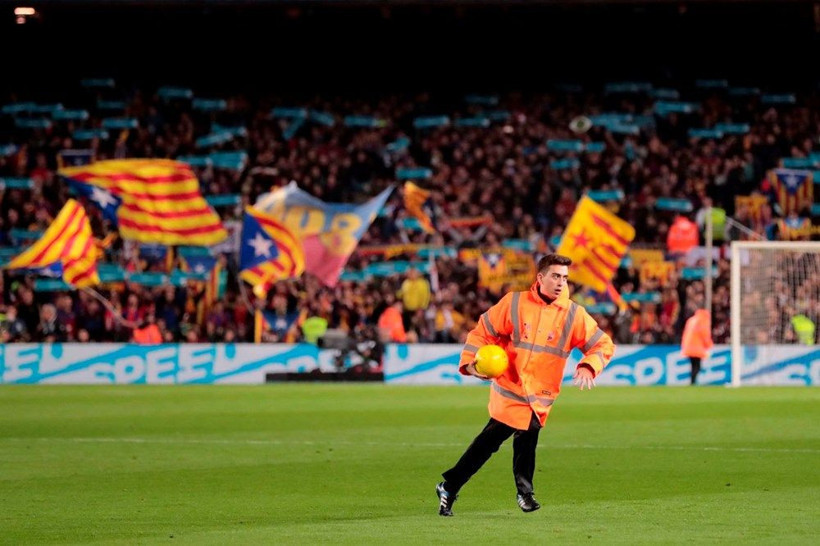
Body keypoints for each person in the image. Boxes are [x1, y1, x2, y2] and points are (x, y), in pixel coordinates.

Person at [436, 253, 615, 517]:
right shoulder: (515, 303)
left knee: (494, 442)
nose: (561, 283)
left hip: (540, 394)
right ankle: (523, 493)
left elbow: (603, 344)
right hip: (510, 388)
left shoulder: (573, 314)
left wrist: (589, 365)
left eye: (565, 278)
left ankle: (449, 486)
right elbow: (482, 331)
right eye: (555, 276)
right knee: (515, 438)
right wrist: (470, 364)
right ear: (540, 277)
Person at [680, 308, 713, 385]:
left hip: (688, 347)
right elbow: (704, 334)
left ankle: (692, 382)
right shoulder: (703, 321)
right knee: (697, 366)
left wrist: (684, 346)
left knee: (693, 365)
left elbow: (685, 334)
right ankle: (693, 382)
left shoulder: (691, 320)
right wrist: (709, 345)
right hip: (697, 348)